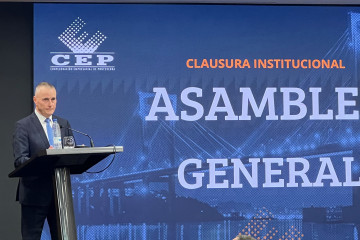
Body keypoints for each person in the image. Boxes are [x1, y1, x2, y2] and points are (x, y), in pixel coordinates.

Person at [13, 82, 73, 240]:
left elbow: (71, 153)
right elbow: (20, 160)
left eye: (53, 99)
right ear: (35, 100)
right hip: (34, 194)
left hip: (60, 194)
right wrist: (44, 156)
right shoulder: (23, 126)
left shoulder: (63, 124)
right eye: (46, 99)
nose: (51, 103)